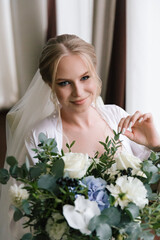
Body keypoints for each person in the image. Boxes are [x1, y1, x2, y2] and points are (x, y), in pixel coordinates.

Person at [0, 34, 160, 239]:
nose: (78, 91)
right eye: (65, 83)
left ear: (95, 74)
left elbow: (151, 192)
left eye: (85, 77)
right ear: (50, 85)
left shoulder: (117, 118)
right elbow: (22, 215)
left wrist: (156, 146)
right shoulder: (41, 136)